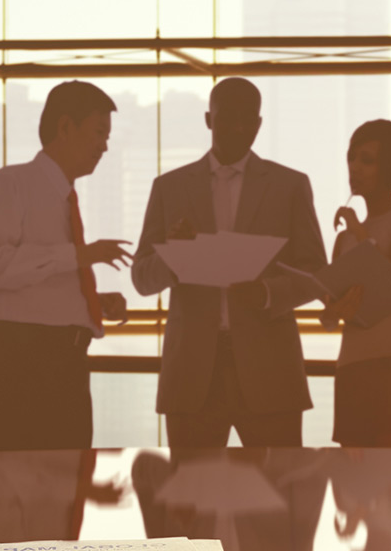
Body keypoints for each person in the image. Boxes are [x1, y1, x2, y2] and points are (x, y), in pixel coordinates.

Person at [132, 77, 327, 449]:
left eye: (247, 120)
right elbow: (142, 278)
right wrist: (176, 257)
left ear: (259, 124)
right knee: (190, 498)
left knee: (278, 500)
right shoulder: (169, 188)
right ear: (208, 119)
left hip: (269, 369)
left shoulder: (290, 185)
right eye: (227, 118)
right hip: (191, 373)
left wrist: (268, 293)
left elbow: (316, 271)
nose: (238, 128)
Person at [0, 80, 131, 451]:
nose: (104, 145)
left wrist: (88, 297)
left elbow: (34, 282)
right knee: (14, 488)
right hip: (21, 360)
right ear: (65, 128)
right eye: (98, 133)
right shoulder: (11, 183)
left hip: (66, 360)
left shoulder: (64, 194)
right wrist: (79, 257)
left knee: (68, 486)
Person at [323, 120, 391, 449]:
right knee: (354, 485)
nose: (354, 167)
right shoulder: (344, 238)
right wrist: (332, 312)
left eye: (367, 160)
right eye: (352, 157)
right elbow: (332, 315)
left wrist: (360, 233)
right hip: (354, 363)